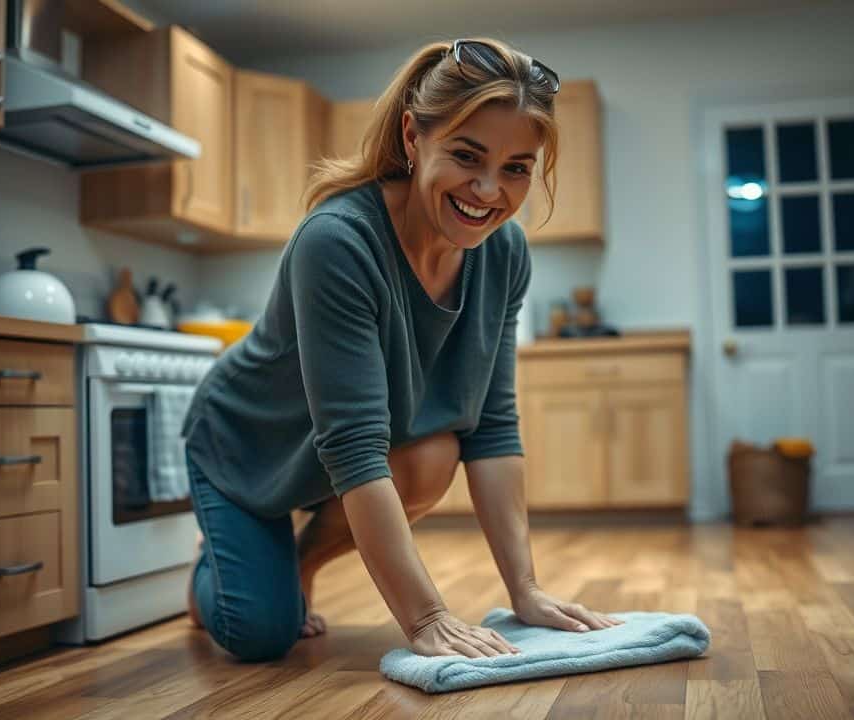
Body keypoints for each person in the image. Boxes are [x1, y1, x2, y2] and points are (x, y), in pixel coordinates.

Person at [180, 37, 623, 663]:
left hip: (329, 455)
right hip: (245, 448)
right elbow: (355, 445)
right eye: (467, 156)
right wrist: (427, 619)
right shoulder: (338, 242)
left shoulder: (504, 255)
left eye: (517, 168)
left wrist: (525, 590)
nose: (489, 190)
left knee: (434, 452)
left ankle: (291, 564)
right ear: (414, 139)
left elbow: (491, 427)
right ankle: (225, 570)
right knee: (260, 634)